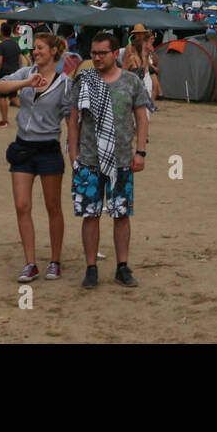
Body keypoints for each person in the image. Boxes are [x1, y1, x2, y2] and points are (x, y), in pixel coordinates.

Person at [70, 32, 154, 287]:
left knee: (121, 214)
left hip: (122, 160)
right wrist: (74, 156)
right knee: (90, 215)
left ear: (114, 53)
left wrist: (140, 152)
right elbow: (73, 119)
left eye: (102, 53)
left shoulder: (131, 81)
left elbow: (141, 118)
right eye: (93, 53)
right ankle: (91, 268)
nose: (96, 57)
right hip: (89, 160)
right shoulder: (83, 80)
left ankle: (122, 267)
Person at [0, 31, 73, 282]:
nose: (36, 52)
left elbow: (70, 119)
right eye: (34, 48)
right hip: (23, 148)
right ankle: (30, 263)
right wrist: (25, 84)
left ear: (54, 51)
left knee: (53, 207)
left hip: (48, 148)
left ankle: (55, 260)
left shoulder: (64, 83)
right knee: (22, 206)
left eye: (40, 48)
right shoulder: (26, 73)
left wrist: (73, 150)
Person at [0, 22, 22, 128]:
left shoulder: (0, 46)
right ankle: (30, 112)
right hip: (14, 73)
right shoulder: (15, 45)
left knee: (2, 97)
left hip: (3, 74)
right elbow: (19, 59)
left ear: (1, 32)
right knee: (13, 98)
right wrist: (18, 72)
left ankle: (4, 120)